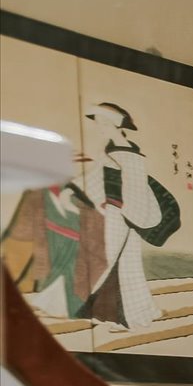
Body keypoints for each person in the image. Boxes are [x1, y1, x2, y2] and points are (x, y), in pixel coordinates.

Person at [2, 100, 181, 329]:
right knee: (105, 261)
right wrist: (71, 190)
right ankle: (103, 310)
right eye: (100, 123)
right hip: (110, 215)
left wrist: (127, 213)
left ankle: (121, 314)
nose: (101, 127)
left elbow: (134, 191)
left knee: (112, 262)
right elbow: (95, 178)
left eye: (105, 123)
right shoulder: (110, 151)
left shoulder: (131, 157)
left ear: (117, 126)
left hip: (122, 218)